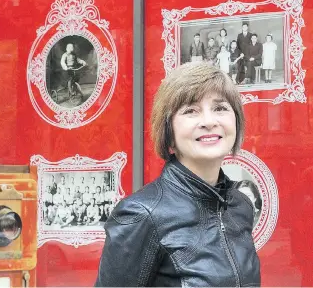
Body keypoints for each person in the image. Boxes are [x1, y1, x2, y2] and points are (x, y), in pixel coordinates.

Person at [96, 62, 260, 287]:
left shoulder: (240, 206)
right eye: (190, 111)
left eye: (220, 108)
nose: (209, 121)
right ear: (169, 133)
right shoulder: (141, 215)